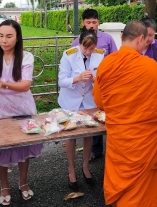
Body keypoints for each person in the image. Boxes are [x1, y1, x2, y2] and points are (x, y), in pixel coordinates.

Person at [94, 20, 157, 207]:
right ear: (141, 39)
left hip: (119, 137)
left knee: (123, 183)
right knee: (143, 188)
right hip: (143, 140)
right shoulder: (148, 65)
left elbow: (100, 102)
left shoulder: (105, 64)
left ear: (121, 37)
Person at [0, 19, 42, 205]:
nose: (4, 40)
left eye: (9, 36)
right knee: (1, 149)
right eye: (0, 35)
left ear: (18, 37)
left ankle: (23, 182)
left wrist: (5, 84)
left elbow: (25, 85)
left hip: (23, 109)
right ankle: (4, 185)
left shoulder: (26, 57)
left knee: (23, 147)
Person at [58, 28, 104, 191]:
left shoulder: (99, 54)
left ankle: (85, 167)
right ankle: (71, 170)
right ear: (79, 44)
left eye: (92, 48)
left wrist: (96, 79)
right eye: (86, 48)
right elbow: (61, 81)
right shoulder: (69, 54)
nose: (88, 52)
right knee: (70, 137)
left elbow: (102, 77)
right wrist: (77, 78)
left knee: (89, 135)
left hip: (89, 101)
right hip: (71, 101)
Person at [71, 8, 117, 162]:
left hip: (103, 82)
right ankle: (87, 148)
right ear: (83, 23)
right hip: (84, 85)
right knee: (86, 115)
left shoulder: (108, 39)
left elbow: (114, 59)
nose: (91, 25)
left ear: (98, 22)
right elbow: (71, 64)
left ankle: (98, 150)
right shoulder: (76, 41)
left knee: (100, 115)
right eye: (88, 22)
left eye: (94, 22)